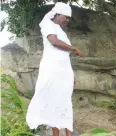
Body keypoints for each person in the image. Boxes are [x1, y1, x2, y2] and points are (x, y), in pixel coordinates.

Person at [26, 2, 83, 136]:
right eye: (66, 17)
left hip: (64, 72)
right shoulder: (47, 24)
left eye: (69, 18)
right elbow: (54, 42)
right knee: (53, 101)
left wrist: (71, 76)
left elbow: (64, 57)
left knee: (65, 102)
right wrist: (74, 48)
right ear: (57, 14)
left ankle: (69, 134)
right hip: (52, 70)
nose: (67, 20)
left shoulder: (62, 31)